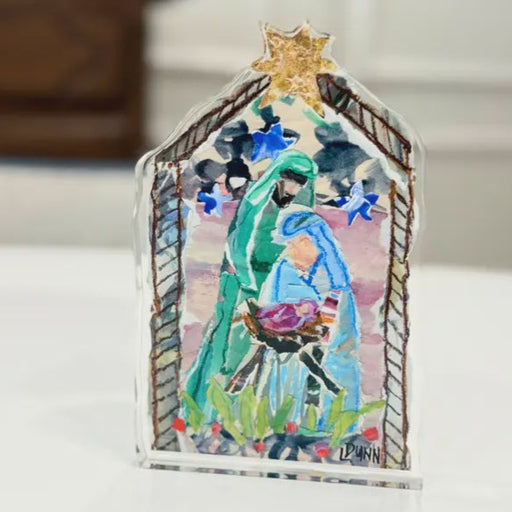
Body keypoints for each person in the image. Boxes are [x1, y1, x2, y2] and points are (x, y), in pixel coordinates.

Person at [184, 150, 318, 418]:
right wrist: (252, 286)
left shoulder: (296, 209)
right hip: (242, 286)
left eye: (299, 184)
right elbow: (239, 246)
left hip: (274, 288)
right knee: (228, 347)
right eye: (289, 180)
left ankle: (250, 416)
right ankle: (210, 411)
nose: (293, 188)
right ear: (278, 177)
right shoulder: (257, 200)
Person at [231, 207, 361, 429]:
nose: (289, 251)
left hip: (322, 357)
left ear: (307, 242)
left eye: (292, 244)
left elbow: (340, 333)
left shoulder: (334, 279)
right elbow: (269, 309)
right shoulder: (283, 269)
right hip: (283, 357)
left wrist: (312, 334)